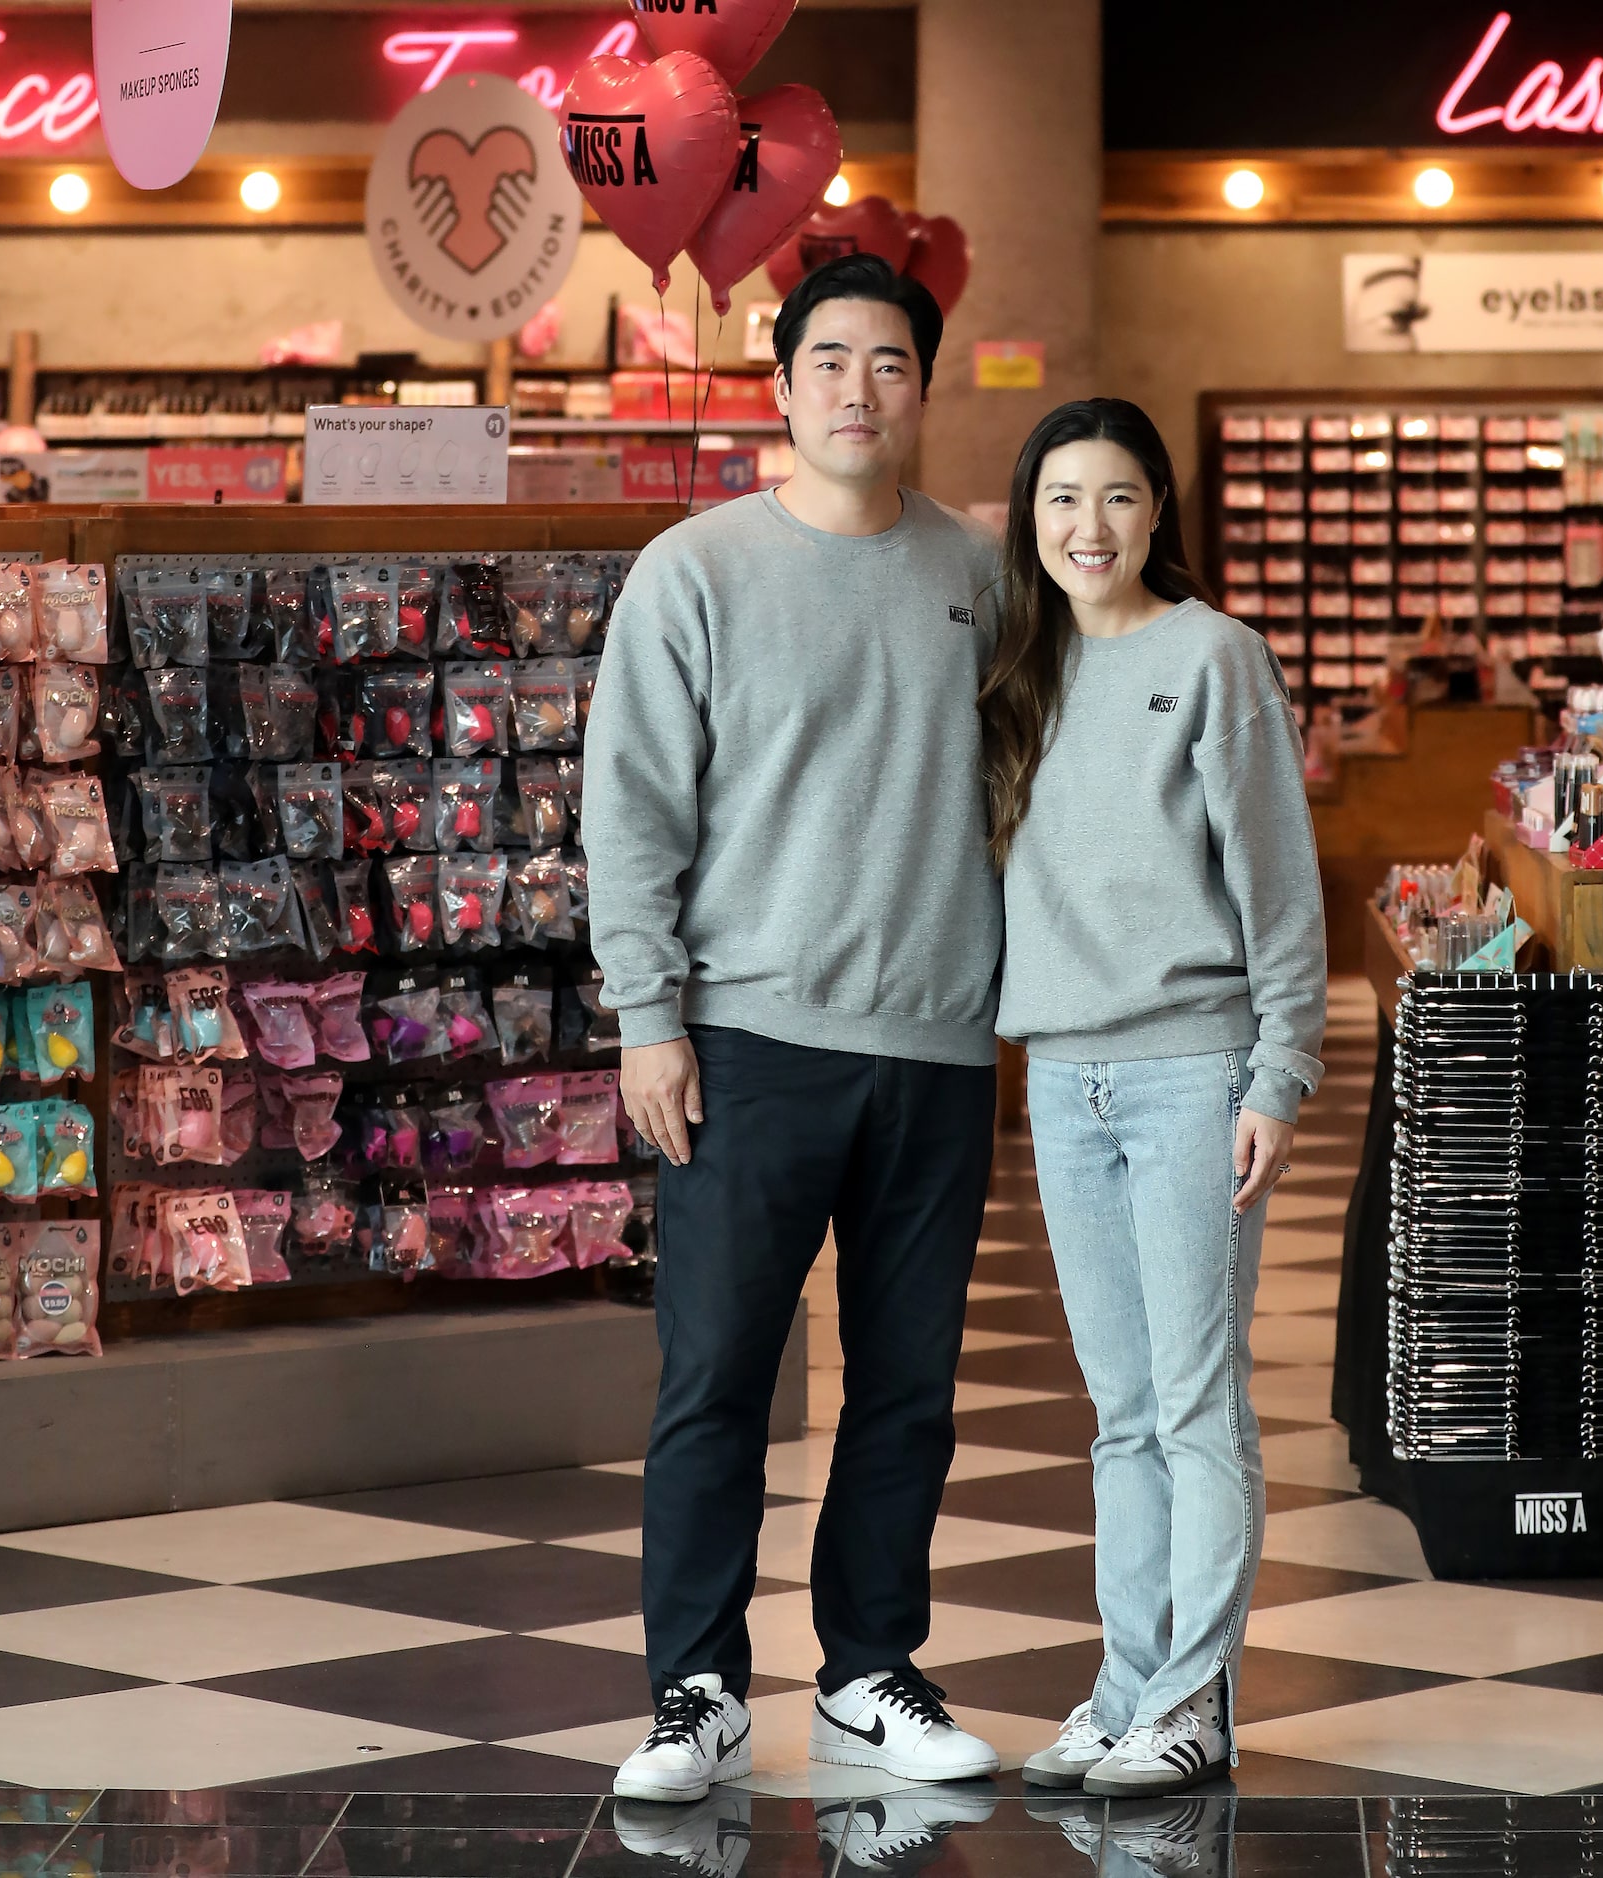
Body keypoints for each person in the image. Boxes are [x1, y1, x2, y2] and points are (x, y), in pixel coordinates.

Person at [584, 253, 1006, 1806]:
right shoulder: (695, 572)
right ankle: (694, 1686)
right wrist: (649, 1017)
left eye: (888, 363)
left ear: (921, 386)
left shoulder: (983, 575)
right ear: (780, 384)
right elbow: (627, 812)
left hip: (940, 1045)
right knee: (717, 1378)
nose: (856, 388)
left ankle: (867, 1669)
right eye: (828, 360)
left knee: (910, 1385)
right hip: (744, 1040)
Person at [981, 398, 1326, 1797]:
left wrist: (1280, 1073)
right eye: (1063, 500)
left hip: (1195, 1070)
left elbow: (1279, 880)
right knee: (1118, 1410)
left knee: (1198, 1406)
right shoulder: (1019, 671)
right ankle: (1127, 1686)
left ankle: (1193, 1699)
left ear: (1159, 511)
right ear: (1031, 519)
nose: (1089, 527)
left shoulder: (1216, 657)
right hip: (1061, 1078)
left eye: (1118, 497)